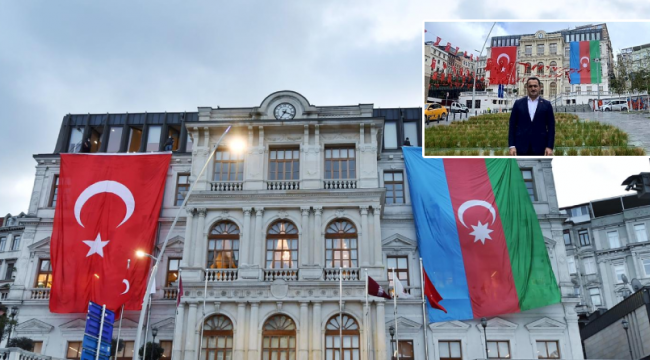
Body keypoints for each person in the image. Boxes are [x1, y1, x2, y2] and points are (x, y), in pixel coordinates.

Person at [508, 77, 555, 156]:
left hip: (540, 147)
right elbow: (512, 126)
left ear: (540, 87)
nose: (533, 88)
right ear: (527, 88)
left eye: (535, 86)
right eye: (530, 86)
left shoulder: (547, 105)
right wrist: (512, 146)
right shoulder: (518, 103)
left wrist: (549, 146)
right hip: (521, 147)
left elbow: (551, 127)